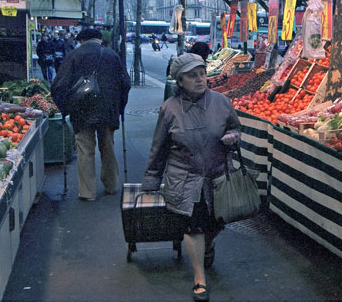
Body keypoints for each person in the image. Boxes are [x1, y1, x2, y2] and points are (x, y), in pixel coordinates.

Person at [141, 53, 240, 301]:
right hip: (184, 178)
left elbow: (235, 127)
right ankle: (199, 278)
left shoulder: (222, 102)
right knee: (193, 226)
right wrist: (151, 181)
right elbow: (159, 148)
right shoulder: (170, 108)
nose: (200, 79)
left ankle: (208, 245)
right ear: (180, 80)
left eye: (202, 74)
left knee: (217, 222)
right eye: (192, 75)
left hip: (217, 176)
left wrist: (233, 136)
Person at [52, 28, 132, 201]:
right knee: (108, 147)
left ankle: (87, 192)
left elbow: (59, 85)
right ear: (100, 39)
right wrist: (120, 107)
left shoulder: (73, 55)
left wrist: (65, 108)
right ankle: (111, 185)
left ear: (82, 40)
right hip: (108, 109)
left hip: (82, 109)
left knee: (85, 149)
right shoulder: (112, 56)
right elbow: (125, 83)